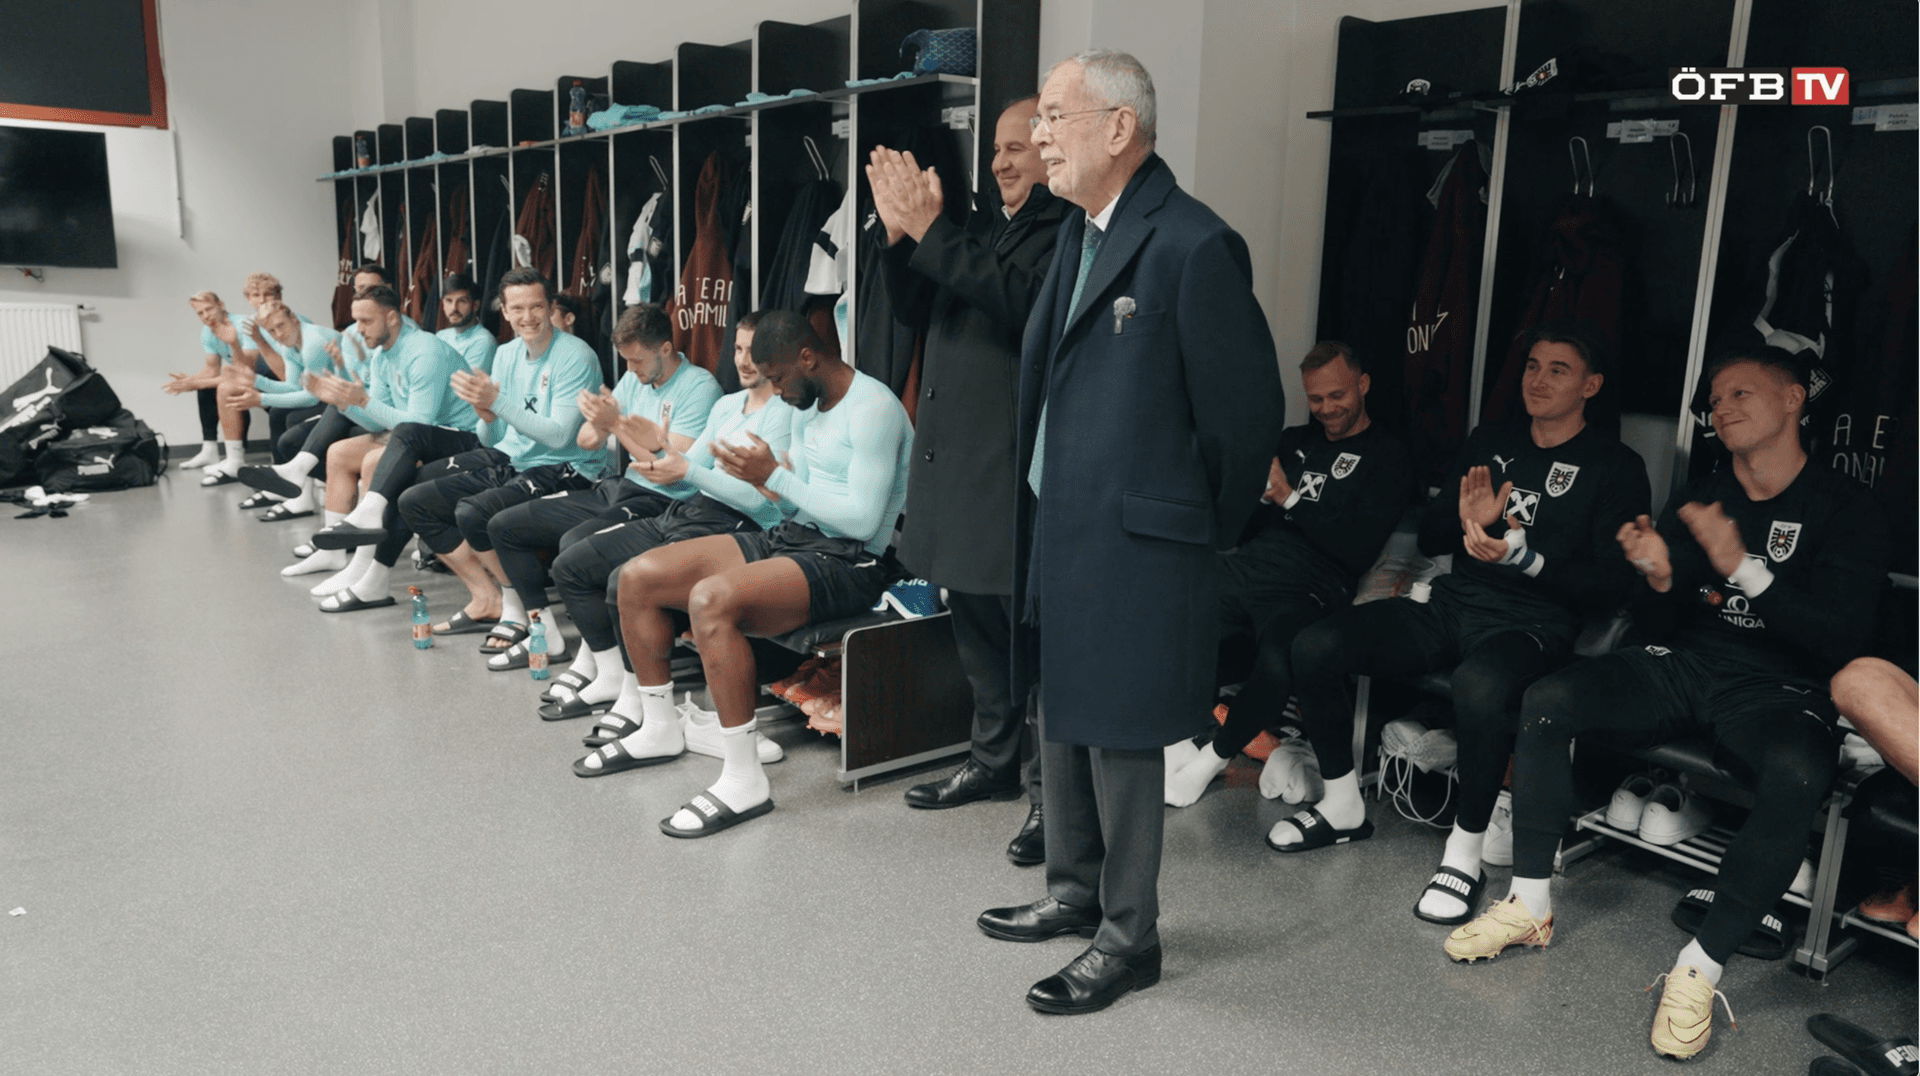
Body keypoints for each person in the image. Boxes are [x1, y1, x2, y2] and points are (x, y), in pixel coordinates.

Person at [1446, 346, 1890, 1061]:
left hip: (1782, 688)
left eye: (1742, 392)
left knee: (1799, 774)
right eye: (1715, 400)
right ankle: (1529, 902)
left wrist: (1740, 565)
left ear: (1792, 401)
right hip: (1686, 667)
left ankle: (1699, 965)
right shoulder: (1702, 496)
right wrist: (1657, 578)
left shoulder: (1847, 509)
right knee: (1550, 698)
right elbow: (1658, 626)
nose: (1723, 408)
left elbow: (1844, 636)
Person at [976, 51, 1284, 1016]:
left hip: (1141, 542)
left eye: (1058, 118)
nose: (1039, 138)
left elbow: (1245, 422)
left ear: (1119, 127)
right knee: (1063, 717)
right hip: (1063, 528)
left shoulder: (1194, 245)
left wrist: (1189, 530)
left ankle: (1129, 937)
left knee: (1120, 739)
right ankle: (1073, 892)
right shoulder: (1082, 231)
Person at [1277, 324, 1647, 927]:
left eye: (1558, 368)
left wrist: (1523, 557)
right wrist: (1466, 518)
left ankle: (1464, 851)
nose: (1538, 378)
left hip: (1535, 622)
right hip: (1453, 605)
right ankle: (1343, 805)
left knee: (1480, 685)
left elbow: (1614, 585)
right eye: (1532, 365)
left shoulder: (1616, 465)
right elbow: (1433, 538)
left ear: (1591, 385)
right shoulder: (1492, 439)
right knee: (1318, 644)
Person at [577, 311, 910, 841]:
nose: (776, 392)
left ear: (807, 358)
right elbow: (790, 502)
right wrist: (748, 476)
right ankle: (660, 727)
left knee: (710, 600)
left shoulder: (873, 408)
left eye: (777, 377)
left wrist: (773, 476)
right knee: (636, 577)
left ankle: (742, 777)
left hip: (852, 560)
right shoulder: (804, 402)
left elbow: (863, 520)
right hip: (795, 538)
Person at [869, 93, 1067, 867]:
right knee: (974, 619)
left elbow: (1019, 304)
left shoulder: (1068, 234)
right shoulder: (982, 228)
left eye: (1017, 146)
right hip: (954, 460)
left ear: (1052, 153)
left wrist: (931, 231)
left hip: (1014, 473)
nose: (999, 160)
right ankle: (990, 760)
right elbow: (916, 303)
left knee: (1034, 637)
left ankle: (1052, 800)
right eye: (995, 148)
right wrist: (897, 237)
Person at [1162, 341, 1413, 807]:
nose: (1326, 409)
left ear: (1363, 385)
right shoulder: (1293, 442)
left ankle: (1209, 761)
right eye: (1315, 399)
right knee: (1169, 602)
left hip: (1314, 584)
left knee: (1280, 657)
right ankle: (1174, 735)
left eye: (1337, 396)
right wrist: (1254, 497)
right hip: (1253, 565)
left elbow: (1356, 551)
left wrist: (1289, 499)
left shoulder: (1388, 456)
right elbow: (1251, 527)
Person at [544, 314, 790, 755]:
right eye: (737, 349)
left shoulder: (787, 413)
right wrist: (653, 448)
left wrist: (671, 459)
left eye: (754, 352)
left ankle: (642, 703)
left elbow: (765, 503)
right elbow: (686, 471)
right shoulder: (727, 406)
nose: (743, 361)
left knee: (624, 579)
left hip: (739, 526)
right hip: (689, 510)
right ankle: (618, 677)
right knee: (573, 565)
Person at [319, 267, 602, 623]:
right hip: (512, 457)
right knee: (412, 498)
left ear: (549, 307)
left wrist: (496, 405)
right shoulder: (507, 354)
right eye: (517, 309)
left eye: (536, 307)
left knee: (465, 504)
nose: (527, 317)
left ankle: (513, 606)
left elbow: (560, 437)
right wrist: (486, 415)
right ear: (505, 310)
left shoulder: (575, 355)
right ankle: (480, 596)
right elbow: (495, 438)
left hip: (562, 467)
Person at [479, 302, 720, 670]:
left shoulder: (699, 387)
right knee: (504, 525)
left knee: (576, 545)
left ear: (666, 349)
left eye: (637, 361)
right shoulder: (633, 379)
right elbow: (588, 440)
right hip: (619, 486)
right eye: (625, 361)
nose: (630, 370)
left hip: (663, 500)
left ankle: (601, 661)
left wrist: (616, 424)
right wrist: (600, 421)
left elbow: (670, 468)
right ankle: (544, 631)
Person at [290, 283, 476, 609]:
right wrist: (345, 401)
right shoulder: (381, 355)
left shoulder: (424, 352)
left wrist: (359, 399)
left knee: (375, 461)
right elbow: (378, 422)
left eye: (366, 321)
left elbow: (418, 425)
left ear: (391, 318)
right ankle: (334, 556)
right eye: (356, 321)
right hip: (416, 433)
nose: (357, 330)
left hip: (459, 436)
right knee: (338, 453)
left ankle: (364, 569)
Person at [216, 298, 339, 520]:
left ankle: (302, 493)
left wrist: (261, 397)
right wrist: (255, 380)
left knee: (293, 423)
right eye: (271, 330)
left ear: (293, 318)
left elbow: (312, 398)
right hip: (333, 399)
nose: (278, 334)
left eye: (281, 325)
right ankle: (287, 489)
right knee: (279, 413)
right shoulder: (289, 343)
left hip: (349, 403)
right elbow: (293, 386)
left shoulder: (312, 343)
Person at [162, 293, 253, 478]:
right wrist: (189, 381)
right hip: (243, 377)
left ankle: (236, 457)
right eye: (200, 313)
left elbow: (243, 372)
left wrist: (194, 383)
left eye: (209, 309)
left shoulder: (243, 325)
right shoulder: (207, 332)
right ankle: (210, 450)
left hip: (265, 377)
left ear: (220, 304)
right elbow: (211, 370)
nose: (206, 316)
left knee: (229, 390)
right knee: (205, 388)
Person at [437, 272, 497, 374]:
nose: (454, 308)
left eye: (461, 301)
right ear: (443, 304)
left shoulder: (483, 341)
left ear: (475, 305)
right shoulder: (441, 336)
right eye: (448, 301)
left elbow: (464, 387)